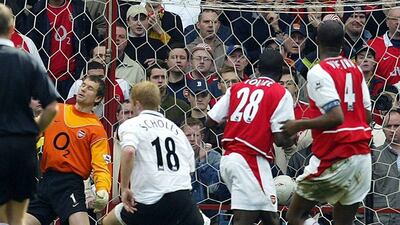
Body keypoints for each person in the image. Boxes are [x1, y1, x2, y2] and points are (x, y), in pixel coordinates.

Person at [281, 20, 372, 225]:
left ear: (316, 41)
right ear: (342, 43)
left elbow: (335, 117)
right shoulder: (355, 70)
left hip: (335, 155)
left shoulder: (318, 71)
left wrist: (298, 124)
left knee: (294, 216)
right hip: (361, 158)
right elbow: (367, 116)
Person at [206, 49, 295, 225]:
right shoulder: (279, 92)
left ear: (258, 68)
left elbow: (210, 120)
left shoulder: (237, 88)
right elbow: (279, 139)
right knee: (246, 218)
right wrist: (292, 138)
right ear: (281, 70)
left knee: (268, 214)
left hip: (228, 159)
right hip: (250, 160)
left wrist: (237, 124)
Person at [102, 81, 204, 225]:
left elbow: (129, 151)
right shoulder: (176, 129)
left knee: (108, 221)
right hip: (182, 199)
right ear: (158, 103)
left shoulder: (131, 124)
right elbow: (190, 167)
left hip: (150, 199)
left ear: (136, 104)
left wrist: (124, 188)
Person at [24, 75, 112, 225]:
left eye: (90, 88)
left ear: (97, 99)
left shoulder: (96, 129)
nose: (83, 89)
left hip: (70, 183)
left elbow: (101, 164)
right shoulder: (57, 110)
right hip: (47, 181)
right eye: (83, 85)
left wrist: (103, 188)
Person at [0, 4, 58, 225]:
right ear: (12, 27)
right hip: (21, 147)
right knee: (16, 219)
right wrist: (34, 129)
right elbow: (52, 107)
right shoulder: (26, 59)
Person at [372, 109, 400, 225]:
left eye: (397, 125)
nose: (392, 130)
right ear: (382, 129)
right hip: (381, 221)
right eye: (389, 126)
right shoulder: (373, 157)